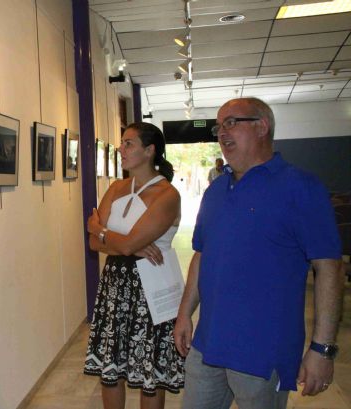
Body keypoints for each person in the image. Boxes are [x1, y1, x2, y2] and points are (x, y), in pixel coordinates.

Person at [173, 97, 344, 409]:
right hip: (207, 345)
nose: (222, 132)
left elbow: (329, 268)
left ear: (262, 126)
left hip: (262, 352)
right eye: (219, 125)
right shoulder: (215, 191)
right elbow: (201, 255)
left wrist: (322, 349)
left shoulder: (301, 188)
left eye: (231, 122)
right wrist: (185, 313)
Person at [84, 122, 185, 409]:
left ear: (150, 150)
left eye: (129, 143)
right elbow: (94, 244)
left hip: (151, 289)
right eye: (122, 143)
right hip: (115, 286)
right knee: (111, 368)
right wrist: (130, 244)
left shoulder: (167, 195)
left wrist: (104, 233)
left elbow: (112, 240)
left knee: (148, 372)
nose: (121, 149)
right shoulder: (116, 188)